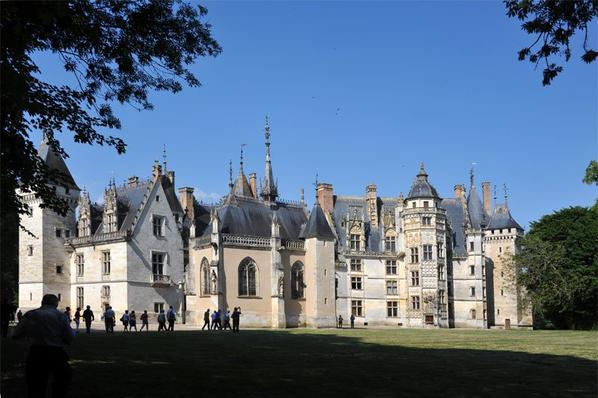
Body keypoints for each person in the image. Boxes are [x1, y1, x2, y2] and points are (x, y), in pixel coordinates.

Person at [13, 294, 74, 398]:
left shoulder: (30, 314)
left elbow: (16, 335)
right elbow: (69, 337)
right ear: (56, 303)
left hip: (36, 352)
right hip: (56, 353)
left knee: (35, 385)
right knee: (61, 382)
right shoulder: (60, 316)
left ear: (42, 302)